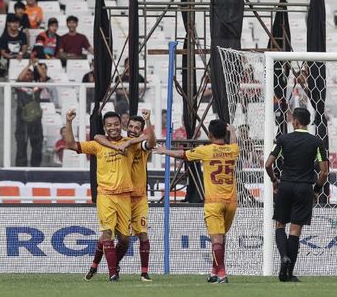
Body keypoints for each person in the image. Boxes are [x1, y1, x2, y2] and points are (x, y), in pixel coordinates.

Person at [155, 120, 240, 284]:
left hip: (214, 202)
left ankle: (222, 274)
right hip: (231, 201)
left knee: (216, 239)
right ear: (225, 134)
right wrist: (233, 131)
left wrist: (164, 150)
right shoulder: (232, 150)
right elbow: (234, 142)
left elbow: (182, 155)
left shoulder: (205, 150)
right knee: (221, 237)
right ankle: (214, 272)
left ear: (209, 135)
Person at [64, 110, 146, 281]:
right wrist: (69, 121)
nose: (113, 128)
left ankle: (102, 265)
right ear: (104, 127)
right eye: (109, 125)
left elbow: (147, 138)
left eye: (116, 124)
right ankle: (112, 273)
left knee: (124, 240)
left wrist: (128, 142)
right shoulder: (98, 145)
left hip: (125, 196)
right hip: (105, 195)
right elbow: (71, 144)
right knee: (107, 233)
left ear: (121, 125)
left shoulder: (129, 143)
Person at [86, 109, 156, 282]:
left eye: (137, 128)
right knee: (107, 233)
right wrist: (121, 145)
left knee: (135, 236)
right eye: (130, 126)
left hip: (137, 197)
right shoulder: (121, 142)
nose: (133, 129)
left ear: (141, 130)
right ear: (126, 126)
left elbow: (151, 141)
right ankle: (100, 267)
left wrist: (148, 122)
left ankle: (143, 272)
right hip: (121, 195)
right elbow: (97, 137)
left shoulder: (135, 145)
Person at [264, 107, 329, 282]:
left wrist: (274, 181)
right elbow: (324, 173)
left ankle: (283, 257)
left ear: (295, 121)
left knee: (280, 225)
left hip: (285, 186)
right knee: (295, 231)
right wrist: (316, 190)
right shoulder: (316, 142)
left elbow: (268, 164)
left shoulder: (283, 139)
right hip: (304, 188)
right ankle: (289, 273)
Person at [15, 61, 43, 166]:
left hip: (36, 121)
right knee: (21, 144)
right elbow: (19, 79)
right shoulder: (20, 87)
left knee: (37, 145)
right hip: (22, 120)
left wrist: (35, 65)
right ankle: (20, 168)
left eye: (31, 74)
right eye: (27, 74)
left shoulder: (36, 87)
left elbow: (43, 77)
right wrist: (28, 65)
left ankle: (36, 168)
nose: (29, 75)